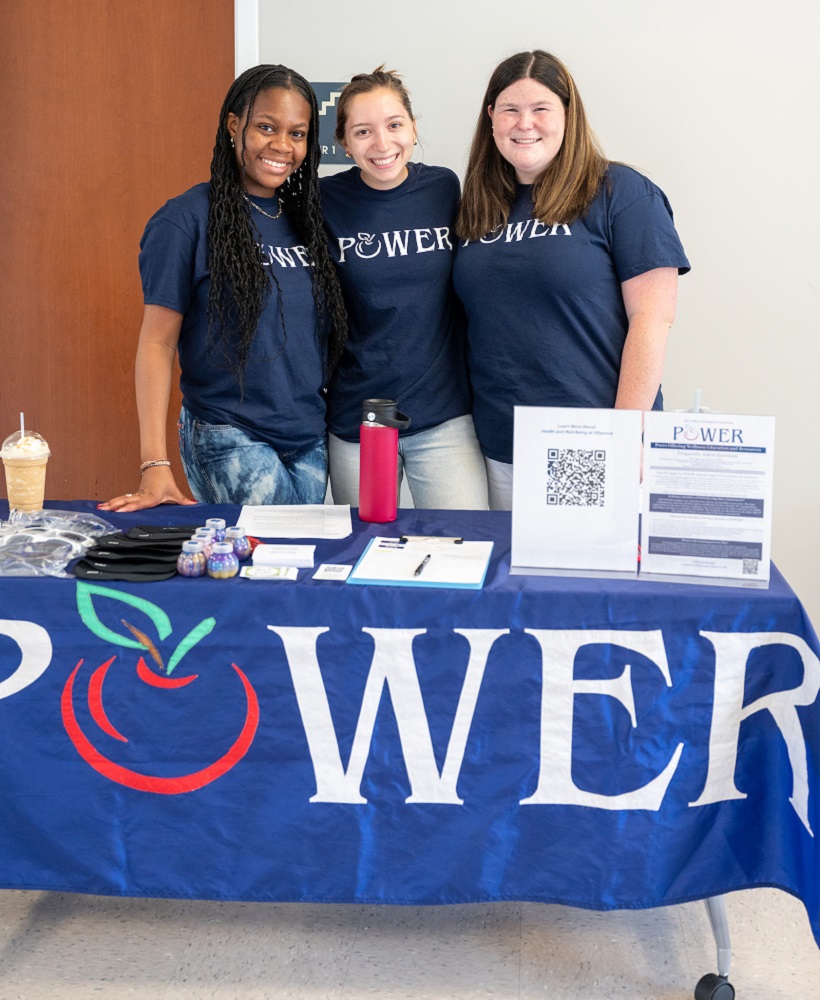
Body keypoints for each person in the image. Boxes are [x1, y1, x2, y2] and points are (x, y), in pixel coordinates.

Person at [100, 64, 347, 513]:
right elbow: (156, 343)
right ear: (234, 126)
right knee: (268, 572)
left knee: (286, 573)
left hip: (308, 437)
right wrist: (153, 462)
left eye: (297, 134)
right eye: (266, 127)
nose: (282, 146)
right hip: (229, 434)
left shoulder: (306, 221)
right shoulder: (186, 219)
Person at [453, 50, 690, 510]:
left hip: (588, 441)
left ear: (568, 114)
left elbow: (653, 320)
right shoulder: (480, 206)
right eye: (510, 110)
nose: (525, 124)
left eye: (541, 109)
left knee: (578, 578)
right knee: (511, 579)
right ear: (491, 118)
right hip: (499, 445)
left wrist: (627, 437)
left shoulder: (620, 192)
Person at [319, 67, 488, 509]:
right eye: (362, 131)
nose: (382, 144)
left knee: (461, 547)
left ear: (413, 127)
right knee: (358, 550)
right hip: (358, 417)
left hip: (444, 415)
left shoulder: (444, 187)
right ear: (343, 142)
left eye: (394, 125)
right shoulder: (322, 203)